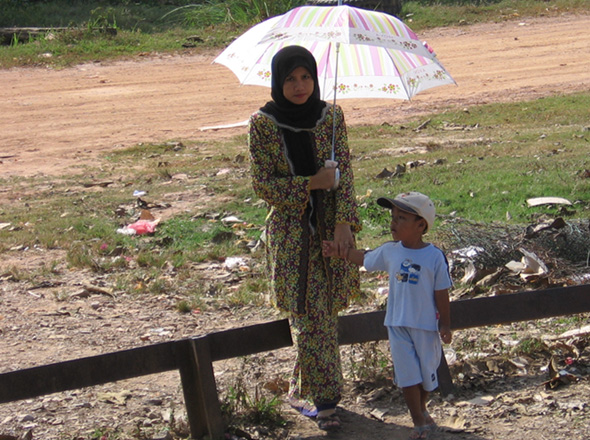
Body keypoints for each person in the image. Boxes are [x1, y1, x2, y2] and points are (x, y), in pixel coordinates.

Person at [248, 45, 361, 431]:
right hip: (294, 234)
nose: (300, 86)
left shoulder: (331, 117)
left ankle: (300, 386)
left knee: (321, 312)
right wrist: (311, 182)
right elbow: (262, 183)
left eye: (306, 77)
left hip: (331, 227)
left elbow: (345, 170)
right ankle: (327, 400)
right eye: (291, 79)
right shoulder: (263, 124)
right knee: (310, 313)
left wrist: (344, 222)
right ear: (278, 82)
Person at [323, 191, 452, 439]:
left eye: (401, 218)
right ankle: (418, 423)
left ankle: (422, 409)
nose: (393, 223)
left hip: (425, 326)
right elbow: (365, 258)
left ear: (420, 225)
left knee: (426, 376)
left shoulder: (434, 257)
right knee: (407, 375)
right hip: (397, 323)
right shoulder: (391, 251)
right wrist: (340, 253)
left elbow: (442, 293)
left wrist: (445, 324)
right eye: (393, 217)